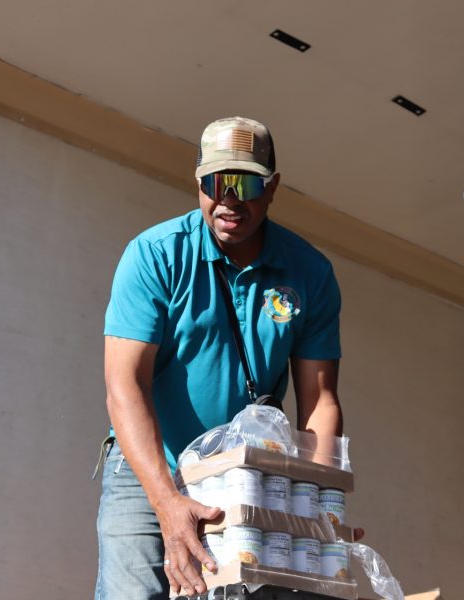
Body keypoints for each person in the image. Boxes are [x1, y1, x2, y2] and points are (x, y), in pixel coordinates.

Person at [96, 116, 343, 599]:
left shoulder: (310, 272)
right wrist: (166, 501)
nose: (229, 198)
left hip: (245, 474)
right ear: (198, 182)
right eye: (216, 182)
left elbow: (320, 401)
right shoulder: (154, 255)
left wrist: (319, 505)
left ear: (272, 188)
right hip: (152, 464)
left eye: (245, 182)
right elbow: (124, 385)